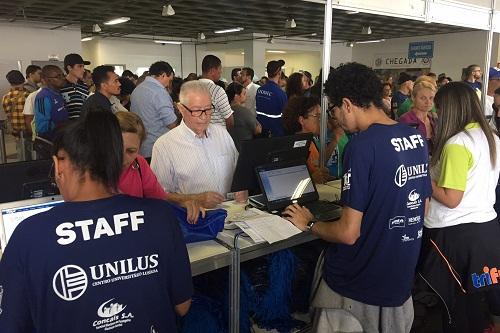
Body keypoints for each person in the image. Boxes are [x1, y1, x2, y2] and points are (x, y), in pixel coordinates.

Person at [0, 111, 193, 332]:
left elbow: (11, 323)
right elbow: (182, 306)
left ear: (59, 165)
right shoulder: (160, 215)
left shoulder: (29, 235)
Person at [284, 63, 431, 333]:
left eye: (335, 110)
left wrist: (309, 223)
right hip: (399, 279)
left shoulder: (361, 146)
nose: (336, 118)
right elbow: (422, 208)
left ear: (348, 104)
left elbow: (348, 233)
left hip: (356, 285)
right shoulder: (415, 138)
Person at [419, 81, 500, 333]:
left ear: (451, 109)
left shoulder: (457, 143)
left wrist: (423, 177)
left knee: (455, 306)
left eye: (440, 108)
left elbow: (452, 198)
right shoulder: (491, 137)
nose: (436, 114)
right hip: (486, 231)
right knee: (475, 298)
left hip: (453, 235)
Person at [151, 81, 238, 208]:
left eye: (208, 109)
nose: (204, 117)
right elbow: (159, 194)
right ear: (181, 109)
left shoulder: (222, 133)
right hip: (194, 220)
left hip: (231, 212)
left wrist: (242, 188)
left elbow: (237, 169)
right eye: (196, 111)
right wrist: (195, 199)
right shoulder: (164, 145)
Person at [115, 111, 203, 223]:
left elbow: (159, 198)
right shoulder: (91, 169)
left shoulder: (139, 165)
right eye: (116, 148)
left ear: (140, 148)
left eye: (131, 151)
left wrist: (183, 203)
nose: (123, 157)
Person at [130, 61, 177, 160]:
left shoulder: (137, 90)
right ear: (163, 75)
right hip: (157, 147)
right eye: (169, 80)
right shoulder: (160, 92)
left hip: (141, 146)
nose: (169, 84)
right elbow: (171, 123)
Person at [282, 96, 332, 184]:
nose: (321, 121)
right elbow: (289, 183)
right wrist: (311, 180)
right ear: (301, 120)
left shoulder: (312, 142)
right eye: (317, 116)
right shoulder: (293, 148)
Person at [33, 65, 69, 158]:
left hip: (61, 142)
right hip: (49, 145)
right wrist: (62, 125)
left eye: (62, 75)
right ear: (47, 79)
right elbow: (42, 128)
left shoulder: (58, 94)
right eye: (58, 76)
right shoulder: (43, 96)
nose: (63, 78)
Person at [398, 80, 436, 151]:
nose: (428, 102)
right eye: (423, 98)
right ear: (413, 98)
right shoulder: (405, 120)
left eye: (431, 98)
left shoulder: (433, 120)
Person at [199, 55, 234, 128]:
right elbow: (229, 120)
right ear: (212, 71)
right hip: (216, 136)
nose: (221, 72)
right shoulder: (217, 91)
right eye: (220, 69)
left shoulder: (190, 88)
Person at [2, 70, 30, 159]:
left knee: (21, 154)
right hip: (28, 132)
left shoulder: (5, 97)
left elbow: (8, 114)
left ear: (10, 82)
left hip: (16, 133)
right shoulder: (28, 95)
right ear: (22, 79)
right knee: (31, 156)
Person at [256, 60, 288, 137]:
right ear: (279, 73)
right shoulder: (280, 93)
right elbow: (286, 115)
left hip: (261, 132)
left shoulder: (260, 90)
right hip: (276, 133)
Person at [226, 81, 261, 151]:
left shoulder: (224, 110)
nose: (246, 96)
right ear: (236, 96)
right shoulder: (244, 112)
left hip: (229, 149)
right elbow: (258, 130)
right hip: (244, 149)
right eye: (244, 94)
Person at [60, 53, 90, 119]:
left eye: (83, 66)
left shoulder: (84, 86)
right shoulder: (60, 86)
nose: (83, 70)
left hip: (82, 126)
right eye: (79, 66)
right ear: (69, 68)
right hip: (66, 127)